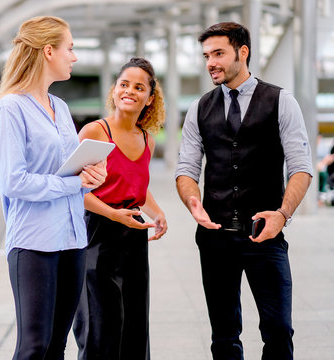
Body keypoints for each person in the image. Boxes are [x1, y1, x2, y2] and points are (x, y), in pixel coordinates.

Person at [175, 22, 313, 360]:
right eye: (207, 55)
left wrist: (282, 215)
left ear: (243, 52)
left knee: (279, 330)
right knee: (223, 335)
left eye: (219, 53)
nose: (210, 62)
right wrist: (194, 202)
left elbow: (301, 167)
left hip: (265, 233)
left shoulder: (281, 101)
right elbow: (186, 170)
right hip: (215, 238)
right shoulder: (198, 108)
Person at [0, 16, 107, 360]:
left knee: (57, 346)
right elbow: (13, 181)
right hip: (34, 242)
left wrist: (89, 177)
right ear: (48, 51)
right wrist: (73, 183)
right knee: (33, 347)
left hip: (72, 240)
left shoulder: (62, 108)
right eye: (70, 48)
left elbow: (68, 172)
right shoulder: (10, 109)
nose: (75, 56)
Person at [73, 57, 168, 360]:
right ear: (114, 90)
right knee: (100, 327)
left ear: (150, 98)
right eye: (124, 84)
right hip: (96, 235)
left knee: (134, 326)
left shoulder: (147, 140)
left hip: (133, 239)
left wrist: (157, 212)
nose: (130, 91)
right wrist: (113, 214)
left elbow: (136, 184)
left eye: (139, 87)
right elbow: (72, 189)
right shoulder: (95, 132)